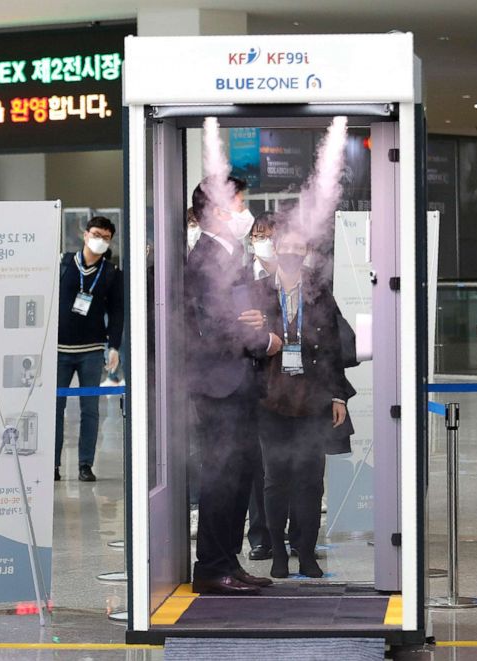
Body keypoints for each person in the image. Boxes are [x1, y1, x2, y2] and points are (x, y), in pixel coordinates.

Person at [185, 175, 282, 595]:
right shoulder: (205, 257)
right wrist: (264, 341)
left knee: (241, 475)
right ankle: (210, 567)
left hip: (240, 381)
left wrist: (256, 322)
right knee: (221, 476)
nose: (245, 210)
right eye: (239, 202)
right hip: (218, 385)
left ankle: (229, 560)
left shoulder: (232, 253)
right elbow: (213, 326)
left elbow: (238, 314)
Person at [253, 223, 351, 579]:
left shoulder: (319, 291)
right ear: (276, 249)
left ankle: (307, 553)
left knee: (311, 480)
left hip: (313, 401)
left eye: (299, 247)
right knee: (275, 479)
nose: (292, 253)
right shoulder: (258, 292)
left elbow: (334, 347)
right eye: (287, 247)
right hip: (271, 400)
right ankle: (278, 552)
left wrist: (338, 394)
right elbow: (244, 342)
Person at [55, 216, 124, 482]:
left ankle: (85, 464)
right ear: (85, 235)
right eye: (96, 234)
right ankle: (53, 464)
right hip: (59, 348)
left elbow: (117, 313)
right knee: (55, 408)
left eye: (106, 237)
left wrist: (115, 346)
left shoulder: (111, 273)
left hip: (92, 349)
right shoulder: (63, 263)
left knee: (90, 410)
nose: (100, 241)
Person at [243, 211, 279, 562]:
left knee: (292, 461)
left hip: (291, 382)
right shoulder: (241, 279)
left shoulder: (296, 278)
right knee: (258, 464)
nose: (262, 240)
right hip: (254, 379)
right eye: (258, 234)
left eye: (268, 234)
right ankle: (260, 536)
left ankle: (297, 533)